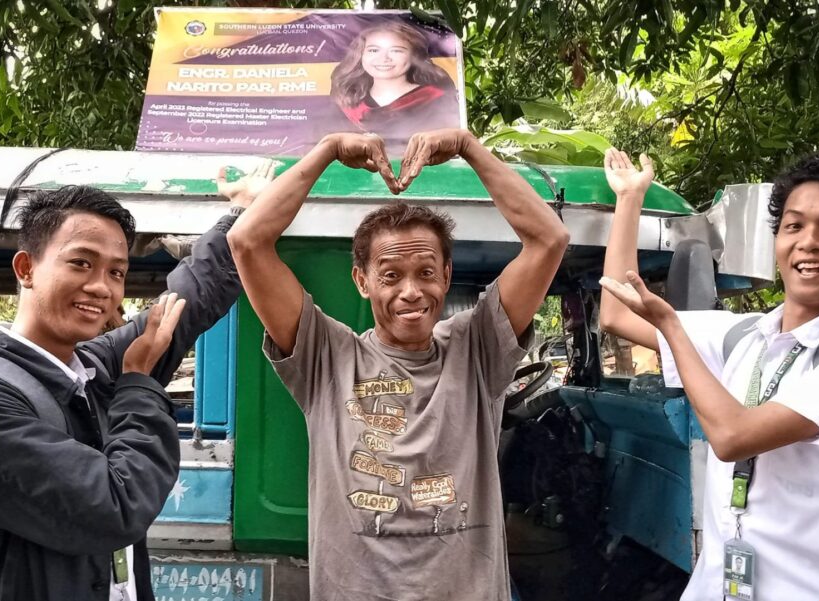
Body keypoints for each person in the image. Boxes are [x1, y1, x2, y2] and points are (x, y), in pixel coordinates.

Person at [228, 129, 569, 600]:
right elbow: (246, 241)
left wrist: (469, 148)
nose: (411, 291)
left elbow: (549, 240)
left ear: (446, 276)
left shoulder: (478, 347)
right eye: (391, 276)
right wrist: (327, 149)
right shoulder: (327, 356)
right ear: (362, 281)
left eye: (426, 273)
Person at [597, 147, 819, 600]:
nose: (809, 240)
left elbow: (734, 437)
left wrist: (671, 325)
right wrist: (630, 199)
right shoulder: (740, 336)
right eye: (794, 225)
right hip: (720, 587)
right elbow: (616, 311)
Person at [0, 176, 263, 600]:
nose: (101, 287)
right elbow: (116, 506)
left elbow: (187, 302)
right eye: (81, 263)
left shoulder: (90, 367)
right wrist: (138, 384)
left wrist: (240, 213)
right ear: (26, 268)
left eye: (116, 272)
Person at [330, 20, 460, 153]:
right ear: (360, 55)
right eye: (374, 50)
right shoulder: (347, 102)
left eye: (396, 51)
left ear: (414, 56)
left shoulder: (437, 101)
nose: (384, 58)